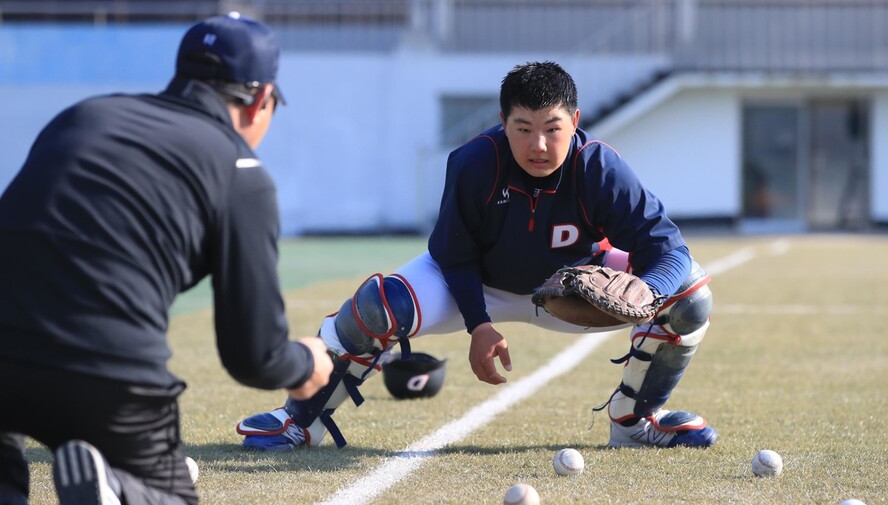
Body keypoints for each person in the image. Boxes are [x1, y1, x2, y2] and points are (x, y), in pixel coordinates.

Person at [237, 60, 715, 454]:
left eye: (553, 128)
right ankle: (301, 420)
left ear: (576, 120)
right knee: (377, 306)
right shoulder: (474, 162)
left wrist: (648, 291)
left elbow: (668, 249)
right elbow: (453, 255)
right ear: (503, 123)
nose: (539, 145)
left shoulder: (600, 168)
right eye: (523, 128)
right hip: (473, 282)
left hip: (570, 288)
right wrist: (478, 325)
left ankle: (634, 421)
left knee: (690, 294)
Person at [0, 13, 333, 505]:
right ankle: (116, 501)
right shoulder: (240, 169)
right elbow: (253, 356)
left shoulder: (84, 116)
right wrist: (307, 363)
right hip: (107, 371)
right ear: (261, 101)